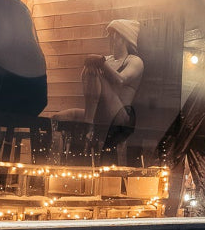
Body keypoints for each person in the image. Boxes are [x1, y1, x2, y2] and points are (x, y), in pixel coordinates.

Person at [57, 19, 144, 152]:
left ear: (126, 38)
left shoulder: (134, 61)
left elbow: (121, 80)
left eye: (115, 34)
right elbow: (86, 78)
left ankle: (88, 125)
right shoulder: (107, 59)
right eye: (110, 33)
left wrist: (101, 63)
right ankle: (54, 159)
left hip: (119, 118)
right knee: (60, 118)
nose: (111, 38)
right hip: (99, 114)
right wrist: (92, 65)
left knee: (94, 67)